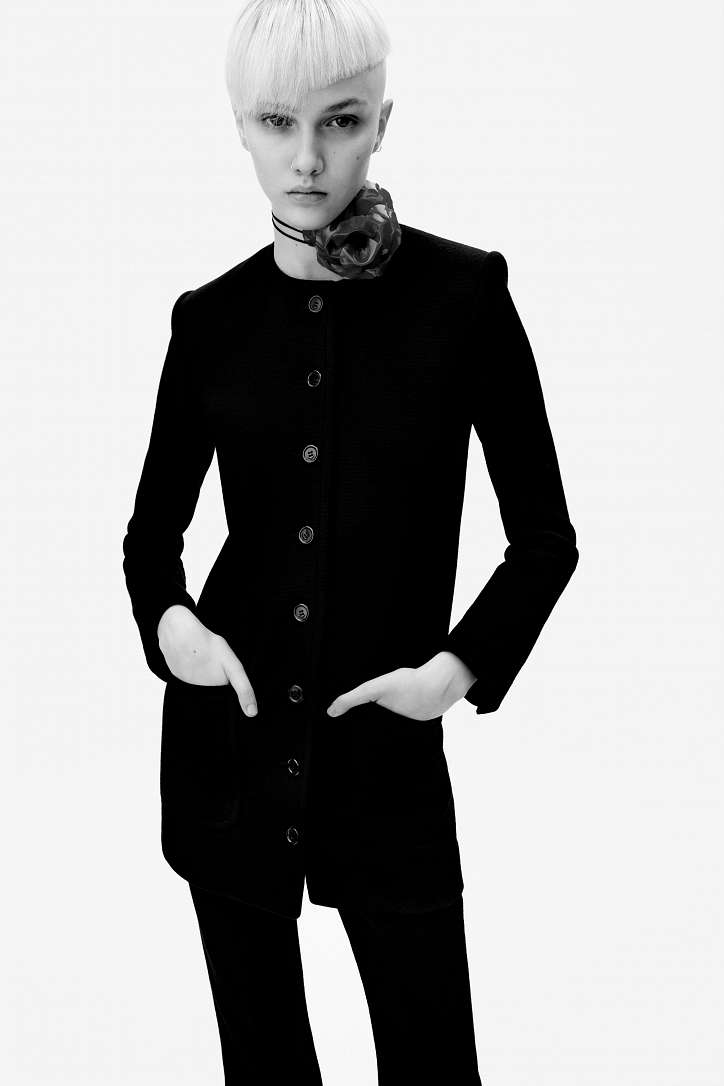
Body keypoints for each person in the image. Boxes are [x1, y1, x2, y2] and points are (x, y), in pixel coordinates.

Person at [121, 0, 580, 1081]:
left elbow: (544, 539)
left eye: (339, 120)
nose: (307, 158)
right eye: (277, 123)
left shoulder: (465, 299)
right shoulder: (209, 320)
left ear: (382, 122)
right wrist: (174, 630)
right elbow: (151, 538)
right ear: (240, 126)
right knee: (263, 1063)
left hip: (387, 758)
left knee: (433, 1060)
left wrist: (451, 674)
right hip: (226, 752)